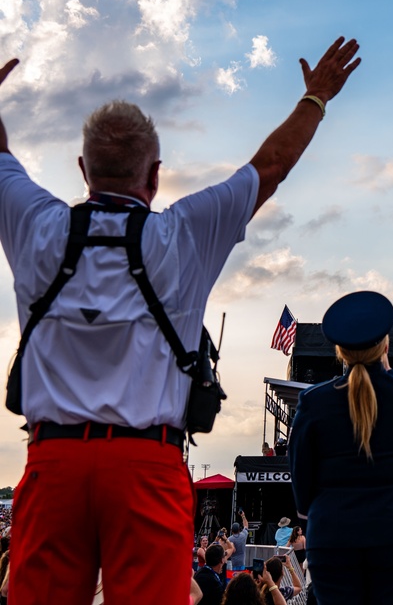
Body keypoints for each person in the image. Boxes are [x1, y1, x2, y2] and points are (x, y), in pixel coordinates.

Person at [0, 34, 361, 605]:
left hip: (53, 462)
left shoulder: (35, 224)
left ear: (82, 168)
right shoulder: (183, 233)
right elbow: (271, 166)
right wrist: (315, 98)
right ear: (156, 175)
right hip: (147, 463)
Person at [288, 290, 393, 604]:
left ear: (340, 351)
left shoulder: (314, 401)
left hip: (332, 535)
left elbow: (299, 466)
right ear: (385, 346)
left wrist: (308, 514)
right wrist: (386, 370)